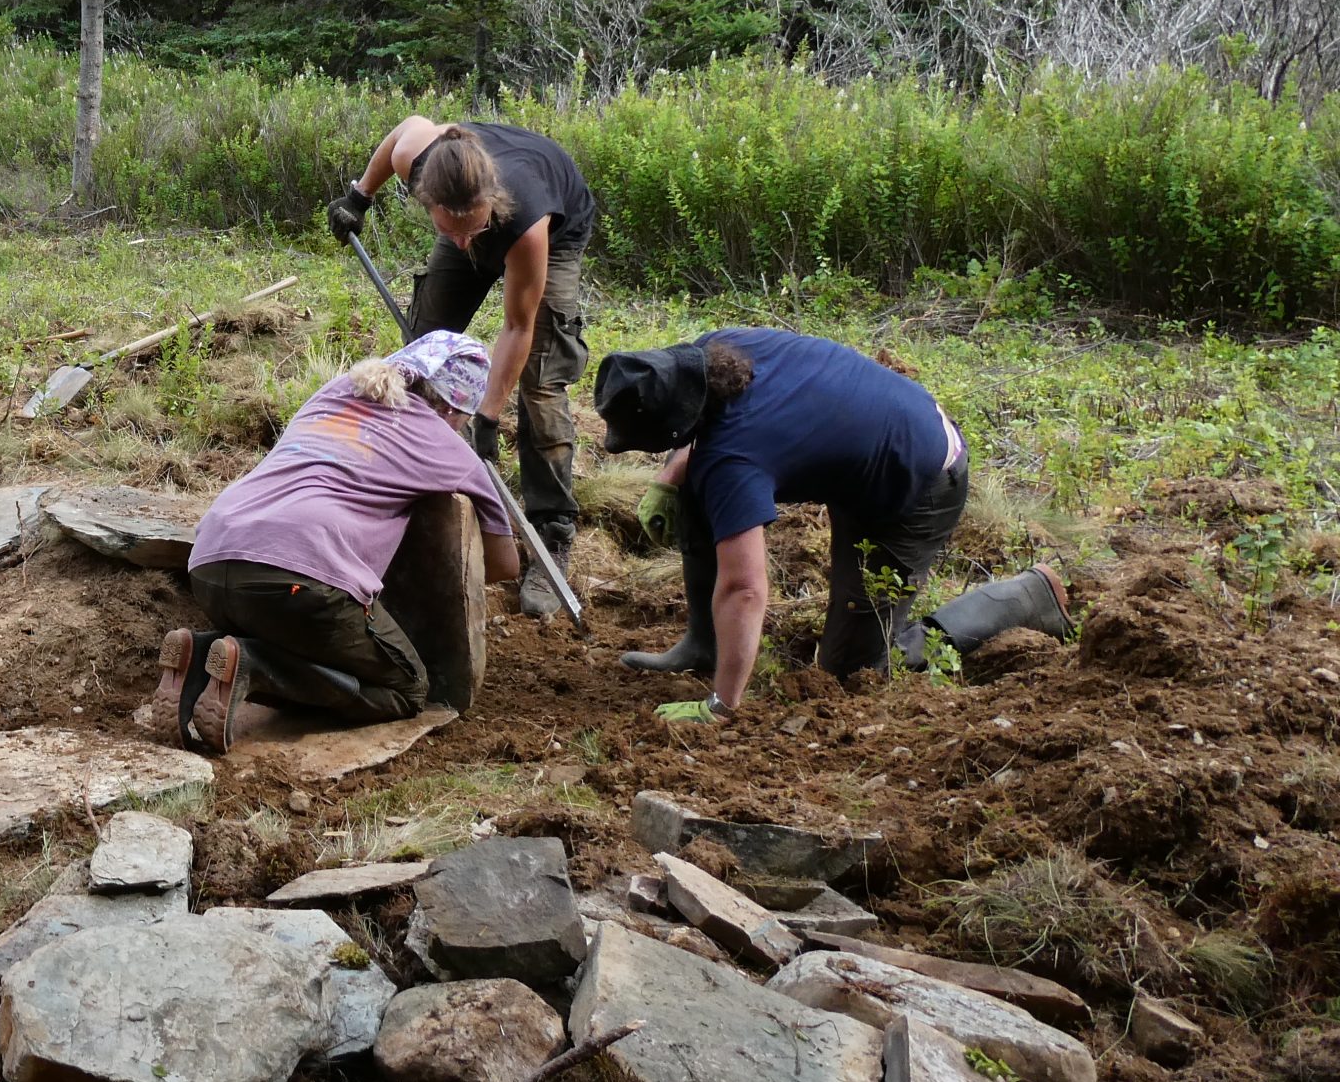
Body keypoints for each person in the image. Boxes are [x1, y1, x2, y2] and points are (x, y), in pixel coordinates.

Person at [596, 329, 1074, 722]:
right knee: (692, 489)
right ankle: (706, 646)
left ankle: (1025, 598)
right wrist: (667, 480)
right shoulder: (714, 352)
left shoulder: (733, 460)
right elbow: (701, 429)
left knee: (852, 670)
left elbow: (745, 589)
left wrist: (722, 706)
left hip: (918, 483)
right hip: (881, 441)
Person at [162, 330, 522, 753]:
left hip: (209, 562)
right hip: (298, 582)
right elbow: (504, 566)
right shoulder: (444, 442)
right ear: (452, 407)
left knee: (294, 624)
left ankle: (203, 654)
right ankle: (253, 665)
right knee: (406, 688)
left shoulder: (334, 392)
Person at [326, 116, 595, 619]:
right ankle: (406, 491)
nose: (467, 244)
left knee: (539, 383)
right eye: (451, 229)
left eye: (472, 229)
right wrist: (359, 197)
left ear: (487, 203)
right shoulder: (422, 164)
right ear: (429, 202)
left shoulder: (528, 222)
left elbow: (518, 326)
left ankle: (551, 533)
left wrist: (488, 416)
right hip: (473, 204)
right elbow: (409, 127)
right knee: (422, 353)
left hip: (550, 231)